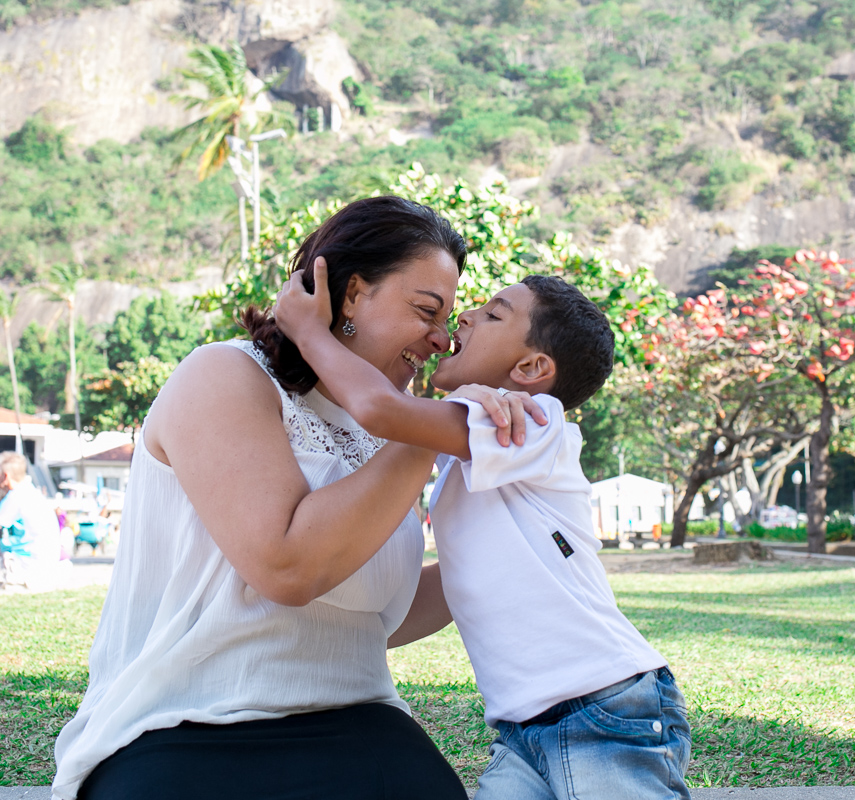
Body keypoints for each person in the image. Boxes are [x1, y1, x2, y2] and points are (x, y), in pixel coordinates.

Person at [51, 196, 543, 800]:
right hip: (185, 723)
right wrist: (439, 426)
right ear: (353, 293)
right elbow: (288, 566)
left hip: (358, 719)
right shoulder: (225, 376)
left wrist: (531, 540)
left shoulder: (380, 430)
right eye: (426, 311)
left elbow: (376, 607)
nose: (441, 340)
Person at [275, 263, 693, 800]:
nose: (464, 317)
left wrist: (308, 331)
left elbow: (380, 408)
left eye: (493, 313)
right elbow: (462, 580)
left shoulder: (533, 423)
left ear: (531, 367)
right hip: (521, 730)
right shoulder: (472, 443)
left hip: (601, 704)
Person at [0, 451, 62, 587]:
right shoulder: (33, 493)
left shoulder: (15, 496)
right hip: (46, 564)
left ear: (5, 477)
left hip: (28, 565)